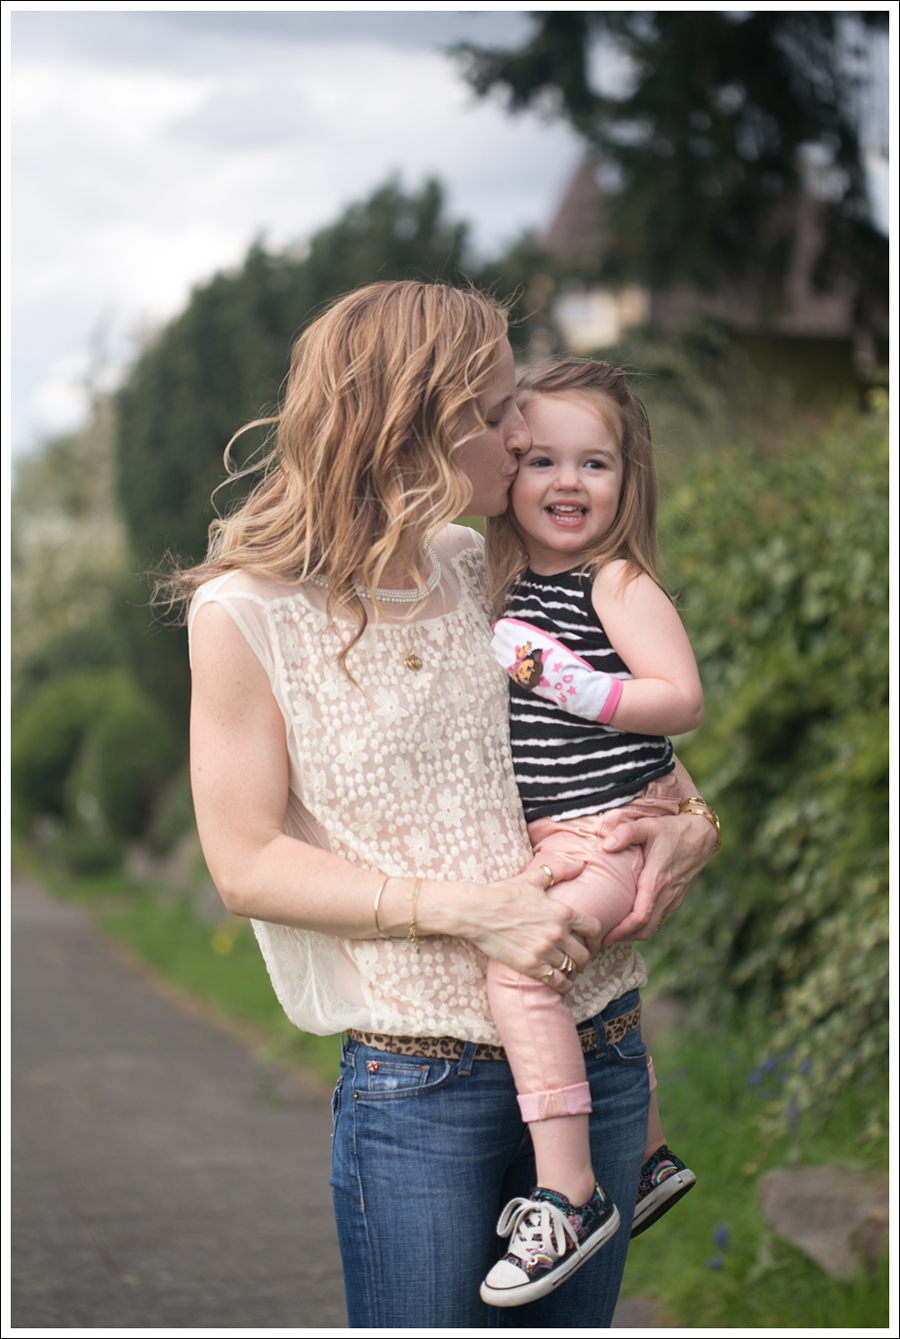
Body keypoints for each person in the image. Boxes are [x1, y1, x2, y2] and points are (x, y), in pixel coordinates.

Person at [176, 281, 717, 1329]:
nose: (523, 436)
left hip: (599, 1044)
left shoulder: (485, 564)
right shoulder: (245, 612)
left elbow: (606, 735)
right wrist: (474, 911)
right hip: (420, 1087)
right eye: (500, 410)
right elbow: (245, 863)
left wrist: (696, 823)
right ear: (416, 423)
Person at [480, 358, 715, 1307]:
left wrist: (581, 687)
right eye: (542, 460)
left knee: (523, 968)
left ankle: (570, 1193)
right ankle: (646, 1155)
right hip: (563, 837)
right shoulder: (506, 586)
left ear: (628, 478)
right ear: (508, 467)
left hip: (617, 828)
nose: (567, 481)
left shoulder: (614, 582)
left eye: (595, 463)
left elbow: (681, 699)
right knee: (584, 985)